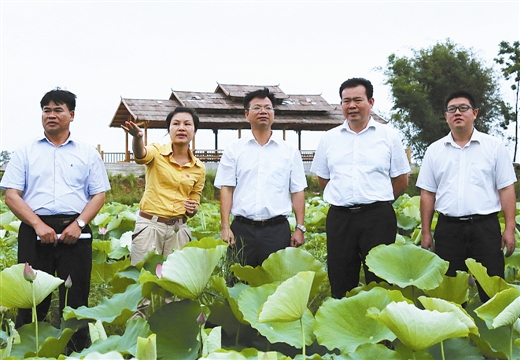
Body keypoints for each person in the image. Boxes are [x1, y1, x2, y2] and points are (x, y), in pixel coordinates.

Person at [0, 88, 111, 351]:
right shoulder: (25, 152)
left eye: (58, 110)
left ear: (71, 115)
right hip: (34, 229)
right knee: (32, 298)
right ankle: (28, 349)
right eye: (46, 110)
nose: (51, 115)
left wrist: (79, 224)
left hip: (76, 230)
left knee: (76, 298)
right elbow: (12, 195)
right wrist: (38, 225)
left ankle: (75, 350)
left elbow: (99, 195)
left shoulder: (87, 153)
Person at [310, 78, 410, 298]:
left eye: (357, 100)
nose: (351, 106)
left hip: (378, 217)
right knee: (341, 276)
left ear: (371, 102)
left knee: (381, 278)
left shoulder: (388, 136)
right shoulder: (329, 139)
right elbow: (323, 179)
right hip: (340, 218)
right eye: (346, 101)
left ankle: (382, 327)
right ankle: (344, 324)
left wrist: (378, 199)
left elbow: (402, 180)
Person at [417, 90, 516, 302]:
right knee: (450, 294)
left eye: (463, 108)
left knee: (491, 291)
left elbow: (506, 189)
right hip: (448, 229)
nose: (457, 113)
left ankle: (492, 333)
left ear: (475, 113)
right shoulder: (434, 151)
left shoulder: (494, 147)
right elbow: (427, 193)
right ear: (446, 116)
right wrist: (426, 231)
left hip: (485, 228)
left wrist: (509, 228)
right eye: (452, 109)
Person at [214, 87, 307, 267]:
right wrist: (225, 226)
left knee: (276, 285)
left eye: (268, 108)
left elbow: (297, 191)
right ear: (246, 114)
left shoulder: (289, 151)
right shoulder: (234, 150)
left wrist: (299, 228)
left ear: (273, 114)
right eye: (257, 108)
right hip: (241, 229)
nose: (263, 111)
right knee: (239, 283)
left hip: (277, 229)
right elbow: (227, 188)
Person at [122, 106, 205, 265]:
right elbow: (141, 156)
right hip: (150, 227)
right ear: (169, 129)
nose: (181, 128)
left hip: (179, 230)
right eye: (176, 124)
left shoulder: (199, 168)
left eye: (187, 124)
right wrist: (137, 138)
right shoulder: (157, 151)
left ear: (194, 131)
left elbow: (195, 199)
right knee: (143, 278)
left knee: (174, 282)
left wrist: (193, 209)